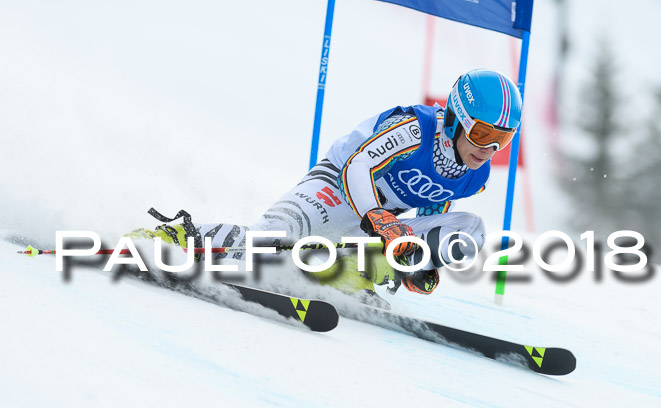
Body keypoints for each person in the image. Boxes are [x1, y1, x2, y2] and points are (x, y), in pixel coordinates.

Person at [139, 69, 523, 298]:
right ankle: (174, 238)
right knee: (270, 237)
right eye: (483, 132)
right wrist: (377, 216)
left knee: (470, 228)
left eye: (503, 139)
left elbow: (434, 212)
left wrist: (417, 261)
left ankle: (355, 270)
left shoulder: (475, 175)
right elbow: (358, 167)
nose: (490, 148)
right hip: (338, 188)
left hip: (378, 223)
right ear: (455, 119)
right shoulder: (414, 128)